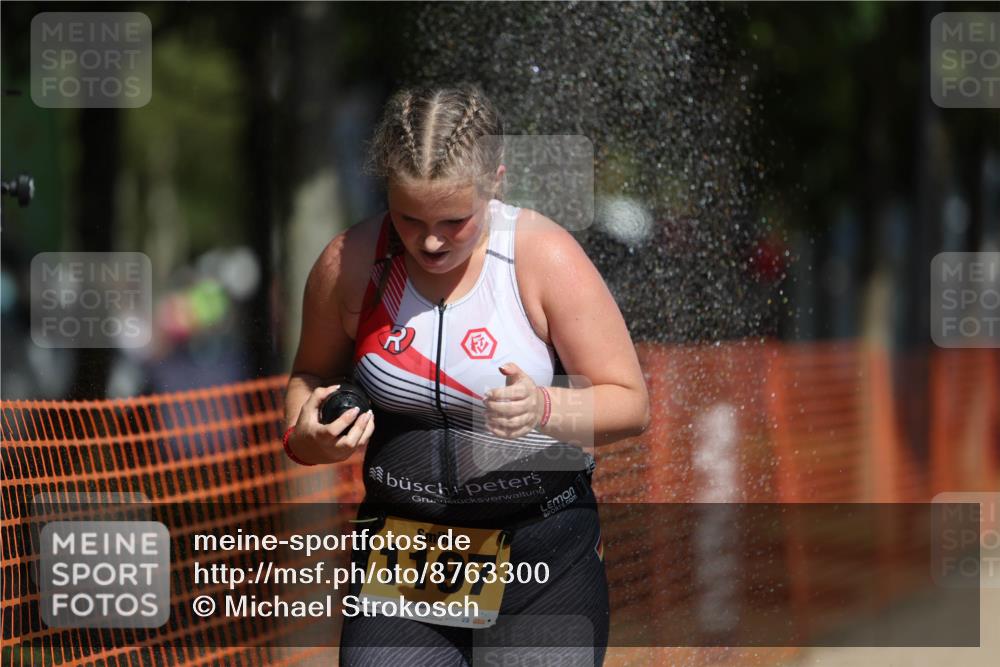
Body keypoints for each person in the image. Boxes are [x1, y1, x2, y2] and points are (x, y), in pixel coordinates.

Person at [283, 84, 650, 666]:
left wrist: (546, 409)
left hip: (543, 548)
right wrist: (306, 437)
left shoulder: (543, 257)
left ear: (496, 181)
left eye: (454, 220)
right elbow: (309, 375)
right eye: (409, 218)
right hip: (408, 551)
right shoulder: (350, 262)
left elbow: (631, 403)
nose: (430, 241)